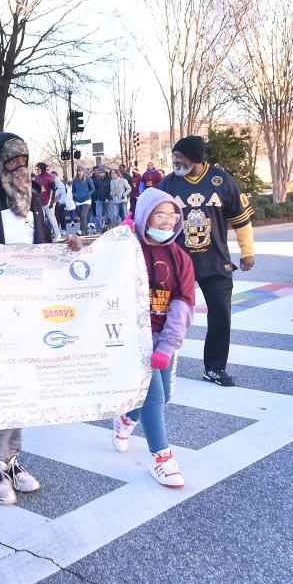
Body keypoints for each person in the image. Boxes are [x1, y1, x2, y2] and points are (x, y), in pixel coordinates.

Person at [0, 132, 82, 506]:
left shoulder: (35, 201)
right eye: (11, 162)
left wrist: (65, 249)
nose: (19, 167)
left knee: (25, 386)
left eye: (24, 159)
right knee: (5, 386)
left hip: (31, 308)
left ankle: (11, 459)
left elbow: (42, 248)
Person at [110, 187, 194, 487]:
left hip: (162, 336)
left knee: (163, 396)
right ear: (146, 215)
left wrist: (168, 345)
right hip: (130, 335)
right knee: (154, 395)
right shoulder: (123, 246)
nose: (167, 222)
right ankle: (161, 459)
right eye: (160, 215)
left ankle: (127, 418)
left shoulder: (180, 257)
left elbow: (183, 303)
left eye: (172, 216)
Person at [160, 135, 256, 387]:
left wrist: (247, 251)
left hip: (216, 264)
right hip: (177, 265)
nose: (175, 161)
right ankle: (160, 362)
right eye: (174, 156)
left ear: (195, 158)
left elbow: (240, 219)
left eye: (180, 156)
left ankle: (214, 367)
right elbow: (148, 218)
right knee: (163, 314)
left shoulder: (221, 180)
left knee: (221, 315)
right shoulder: (167, 185)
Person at [70, 164, 95, 235]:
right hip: (78, 201)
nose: (79, 172)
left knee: (83, 215)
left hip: (86, 200)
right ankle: (86, 232)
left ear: (83, 171)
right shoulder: (74, 180)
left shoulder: (87, 179)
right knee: (82, 217)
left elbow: (92, 189)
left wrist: (87, 194)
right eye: (77, 170)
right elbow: (73, 191)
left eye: (80, 170)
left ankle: (81, 231)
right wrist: (75, 196)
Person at [91, 166, 112, 231]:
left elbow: (112, 189)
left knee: (108, 215)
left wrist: (109, 198)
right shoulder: (97, 179)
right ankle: (98, 229)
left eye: (101, 173)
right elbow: (95, 189)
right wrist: (95, 198)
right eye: (99, 173)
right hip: (99, 200)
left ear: (104, 172)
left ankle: (109, 228)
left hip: (107, 200)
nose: (100, 174)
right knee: (98, 215)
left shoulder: (109, 179)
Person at [52, 169, 68, 235]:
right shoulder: (51, 183)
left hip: (60, 202)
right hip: (53, 202)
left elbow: (63, 193)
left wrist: (60, 201)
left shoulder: (61, 183)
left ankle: (63, 229)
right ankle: (56, 230)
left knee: (61, 216)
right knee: (54, 217)